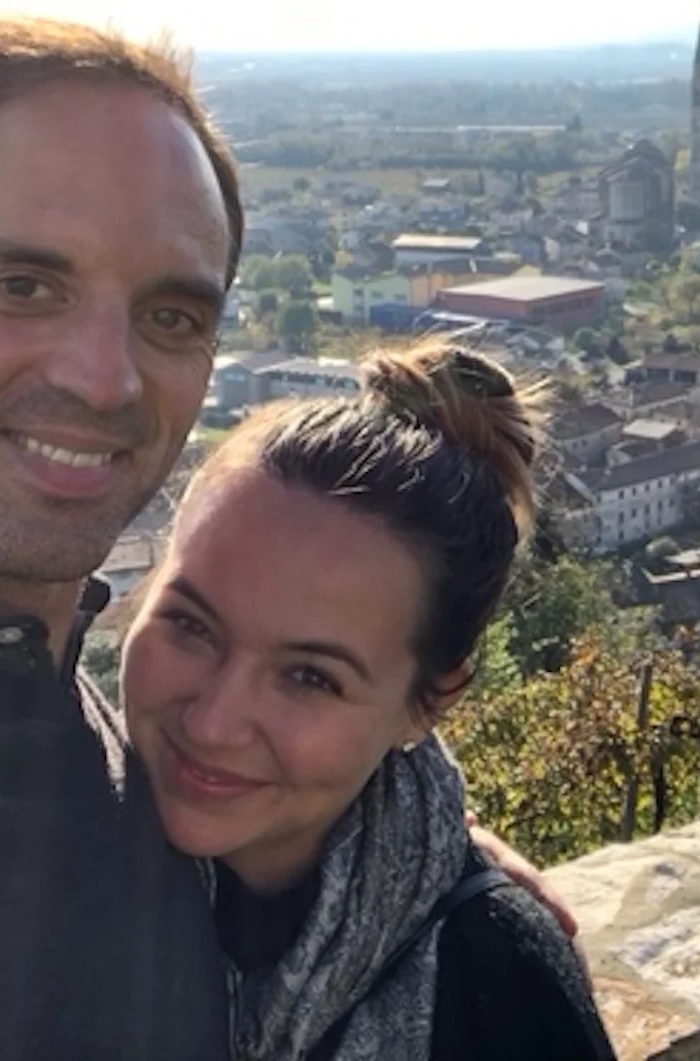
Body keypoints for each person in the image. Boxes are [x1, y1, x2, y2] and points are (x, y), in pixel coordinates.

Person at [0, 15, 565, 1061]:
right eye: (22, 286)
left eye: (170, 316)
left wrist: (424, 868)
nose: (103, 377)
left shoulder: (136, 757)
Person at [123, 340, 614, 1060]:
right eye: (191, 625)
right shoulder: (47, 819)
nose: (212, 721)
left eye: (310, 676)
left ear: (428, 703)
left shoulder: (496, 983)